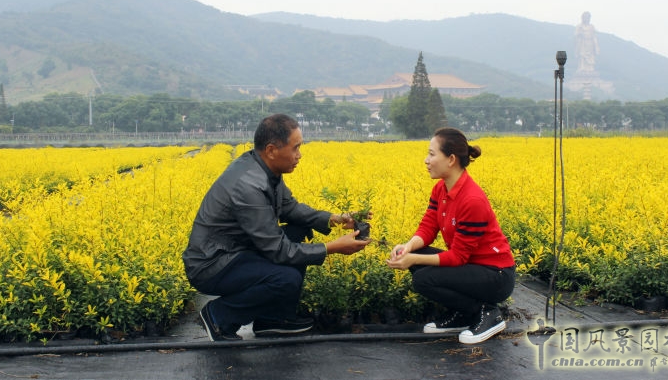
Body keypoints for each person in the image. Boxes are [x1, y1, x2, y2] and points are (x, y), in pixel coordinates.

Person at [182, 113, 370, 341]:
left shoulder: (265, 169)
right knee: (286, 278)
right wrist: (332, 247)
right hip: (212, 264)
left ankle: (273, 319)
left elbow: (291, 208)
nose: (299, 155)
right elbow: (278, 251)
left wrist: (336, 219)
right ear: (271, 150)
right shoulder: (248, 186)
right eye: (295, 148)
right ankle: (219, 317)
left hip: (235, 251)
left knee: (300, 231)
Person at [386, 128, 515, 344]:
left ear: (451, 159)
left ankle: (486, 313)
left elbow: (457, 258)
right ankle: (463, 314)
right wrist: (408, 248)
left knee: (423, 279)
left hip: (495, 275)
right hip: (471, 268)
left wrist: (413, 259)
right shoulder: (440, 189)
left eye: (432, 154)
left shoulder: (472, 199)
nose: (426, 160)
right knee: (415, 256)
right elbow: (427, 228)